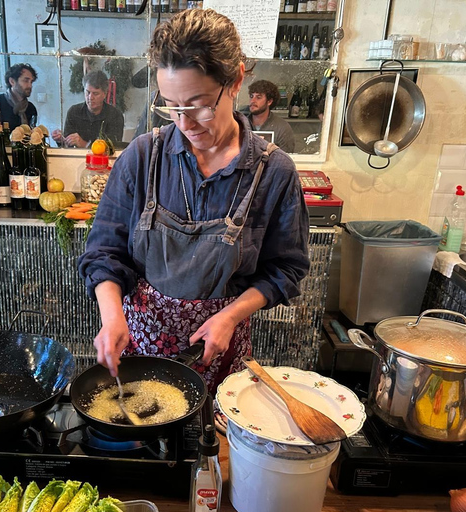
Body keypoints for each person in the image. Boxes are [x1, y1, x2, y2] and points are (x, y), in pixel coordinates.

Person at [78, 9, 310, 393]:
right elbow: (104, 252)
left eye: (199, 104)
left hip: (219, 346)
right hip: (141, 344)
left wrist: (232, 315)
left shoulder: (274, 172)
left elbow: (286, 268)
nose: (184, 123)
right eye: (170, 104)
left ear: (235, 80)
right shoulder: (141, 158)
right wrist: (111, 316)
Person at [52, 71, 124, 149]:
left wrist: (85, 144)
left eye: (95, 93)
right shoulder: (74, 112)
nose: (90, 97)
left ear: (105, 94)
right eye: (87, 92)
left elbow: (113, 149)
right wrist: (61, 140)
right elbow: (67, 148)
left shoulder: (115, 115)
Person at [0, 64, 38, 131]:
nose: (30, 85)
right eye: (26, 81)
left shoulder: (31, 108)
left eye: (31, 82)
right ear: (12, 81)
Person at [245, 80, 295, 153]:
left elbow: (286, 160)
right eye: (251, 96)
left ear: (269, 101)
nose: (252, 101)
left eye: (258, 97)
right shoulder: (240, 124)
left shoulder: (282, 128)